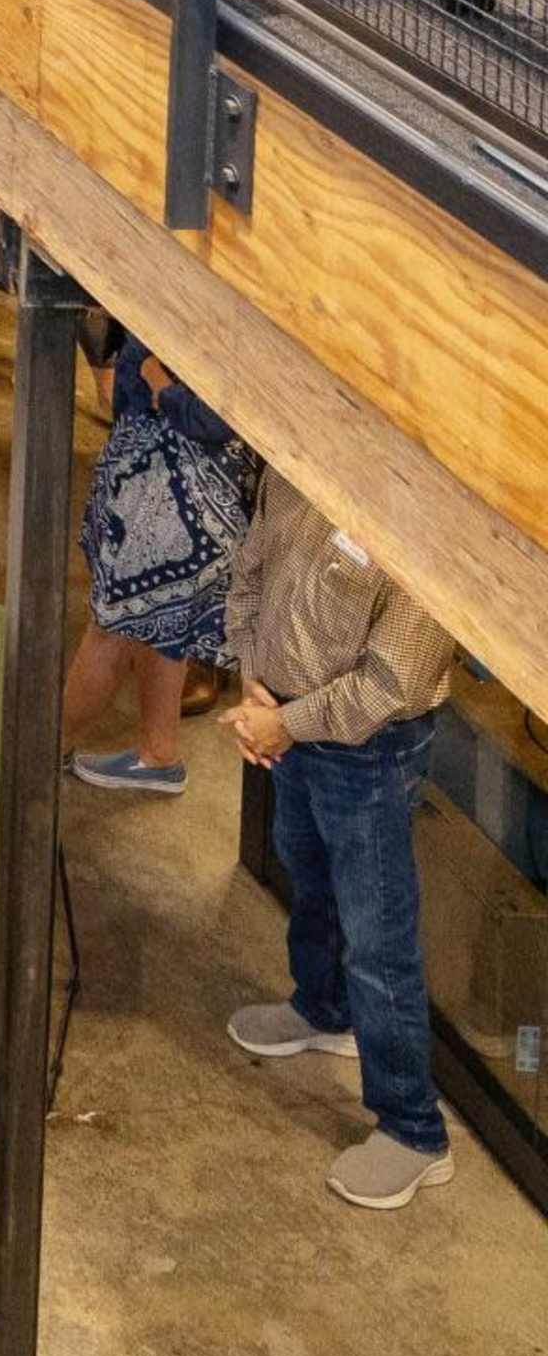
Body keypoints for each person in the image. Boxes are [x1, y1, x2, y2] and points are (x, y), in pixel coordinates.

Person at [223, 470, 463, 1212]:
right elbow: (250, 569)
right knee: (307, 870)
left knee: (378, 935)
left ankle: (415, 1129)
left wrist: (282, 724)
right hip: (284, 722)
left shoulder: (428, 529)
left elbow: (388, 686)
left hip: (369, 750)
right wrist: (252, 682)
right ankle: (323, 1010)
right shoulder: (301, 467)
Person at [61, 327, 254, 796]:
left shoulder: (221, 314)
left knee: (113, 630)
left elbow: (214, 419)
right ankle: (159, 753)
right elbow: (124, 392)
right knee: (160, 629)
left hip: (177, 503)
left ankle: (34, 749)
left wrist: (157, 383)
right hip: (152, 490)